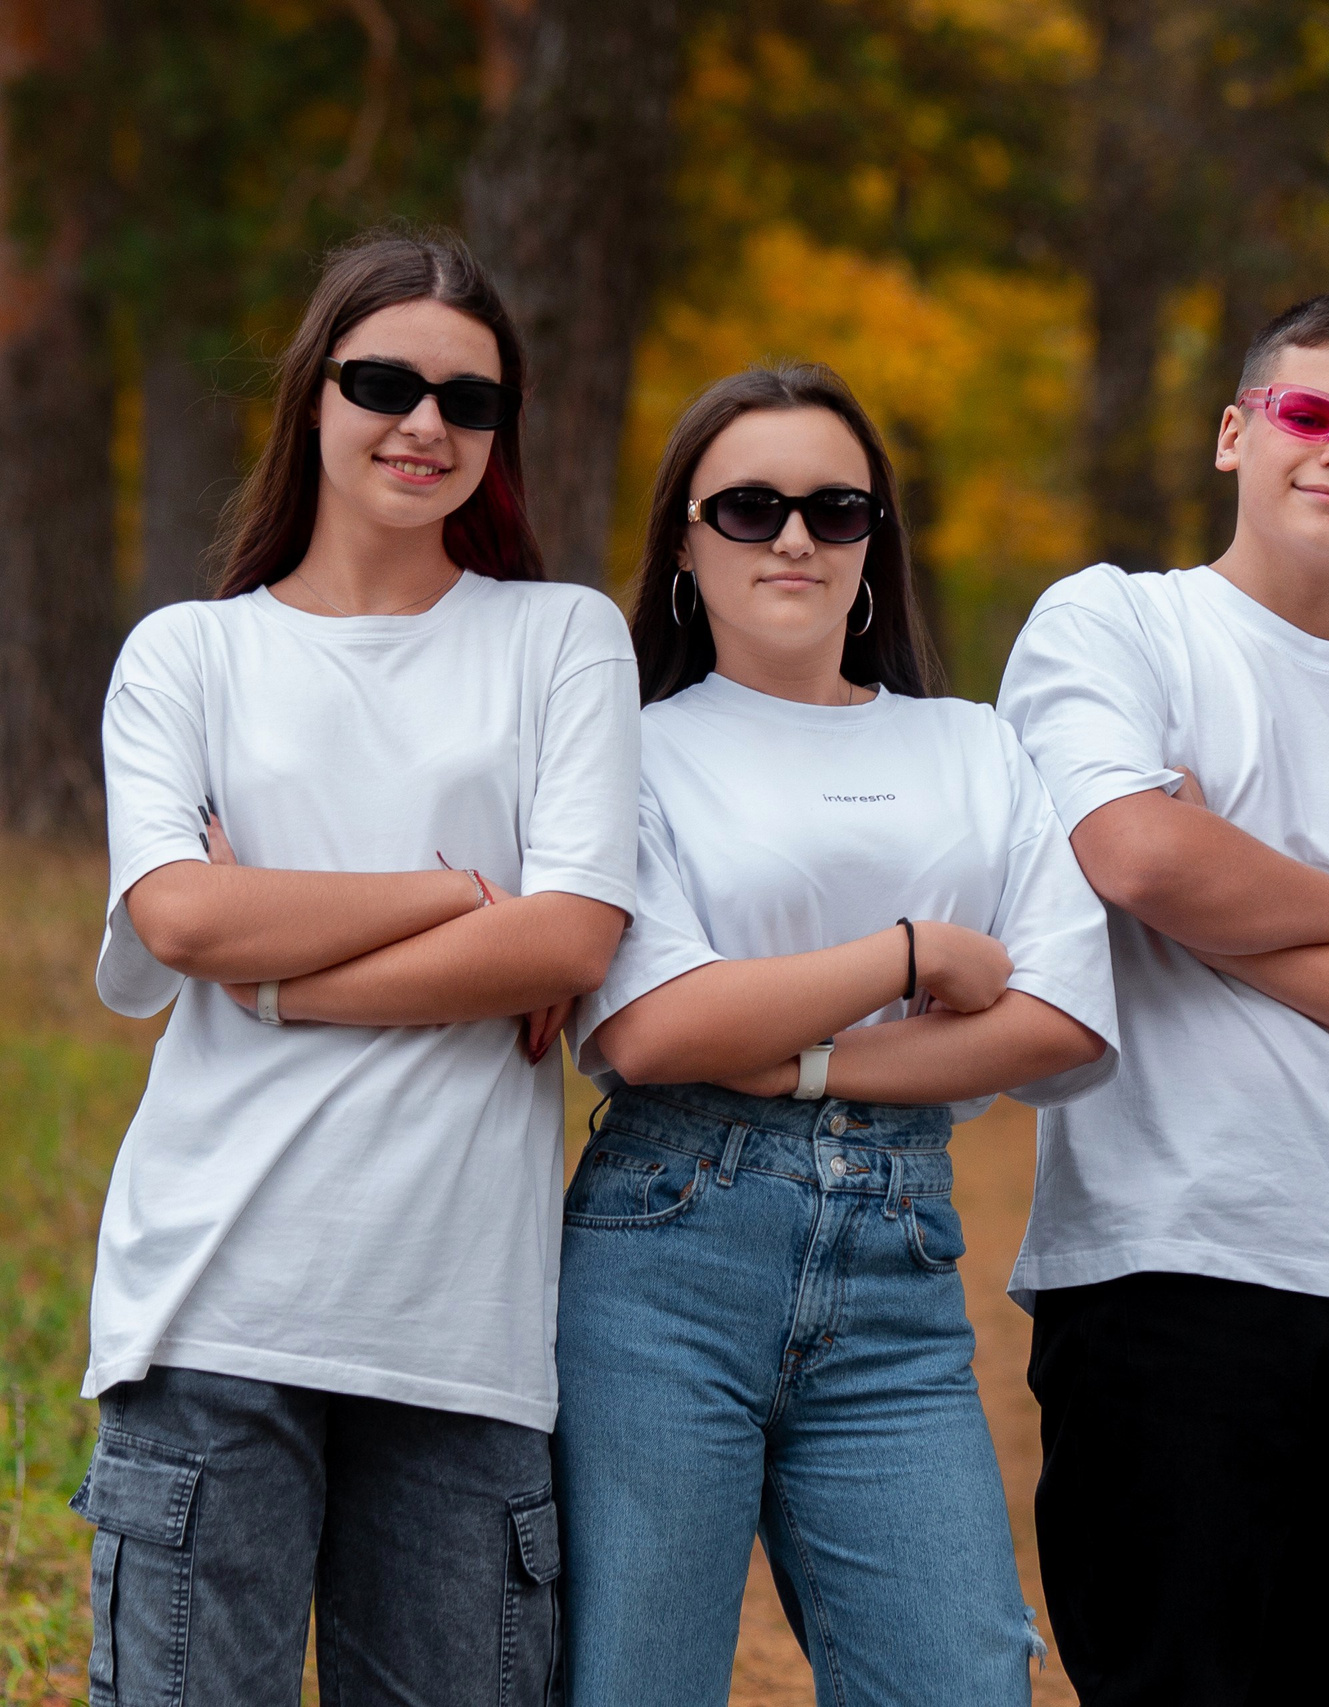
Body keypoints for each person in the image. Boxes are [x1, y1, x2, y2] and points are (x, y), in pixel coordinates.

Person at [76, 230, 638, 1706]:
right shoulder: (188, 654)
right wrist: (458, 896)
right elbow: (183, 919)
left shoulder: (561, 639)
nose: (425, 423)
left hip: (461, 1332)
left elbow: (575, 930)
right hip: (214, 1300)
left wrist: (282, 969)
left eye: (469, 397)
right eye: (383, 380)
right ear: (311, 398)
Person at [994, 294, 1329, 1705]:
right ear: (1238, 433)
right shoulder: (1114, 622)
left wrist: (1216, 900)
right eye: (1309, 414)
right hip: (1166, 1259)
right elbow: (1132, 849)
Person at [555, 363, 1116, 1707]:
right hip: (663, 1249)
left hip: (900, 1262)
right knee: (639, 1676)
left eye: (834, 505)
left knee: (965, 1672)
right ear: (684, 544)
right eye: (748, 507)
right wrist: (908, 955)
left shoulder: (976, 746)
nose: (794, 536)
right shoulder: (629, 748)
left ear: (876, 540)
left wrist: (796, 1052)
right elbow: (648, 1026)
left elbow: (1063, 1016)